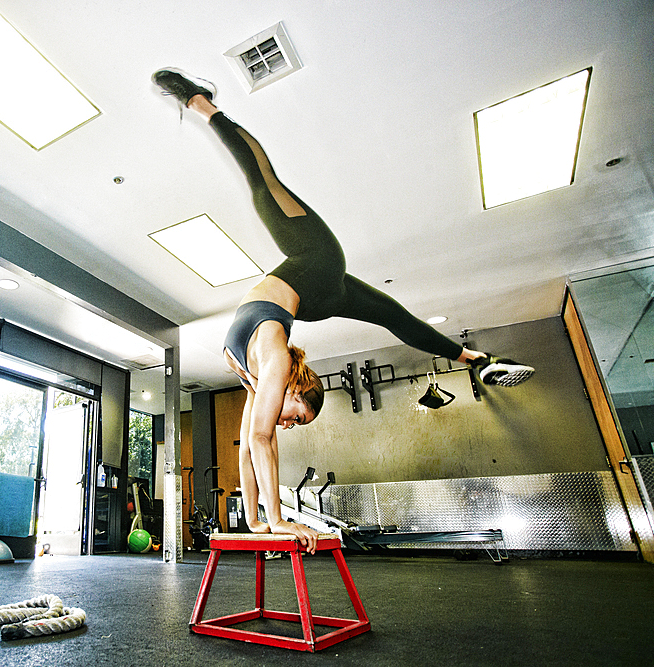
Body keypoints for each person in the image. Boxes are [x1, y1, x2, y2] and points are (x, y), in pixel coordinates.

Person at [151, 68, 535, 553]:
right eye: (298, 415)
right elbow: (265, 439)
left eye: (297, 424)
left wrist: (256, 521)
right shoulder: (276, 363)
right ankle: (203, 103)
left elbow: (248, 447)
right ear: (296, 385)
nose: (289, 423)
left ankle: (473, 359)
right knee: (261, 182)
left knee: (393, 317)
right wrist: (280, 520)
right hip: (317, 259)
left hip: (313, 298)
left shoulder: (258, 379)